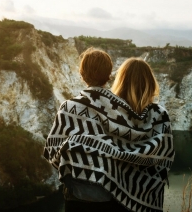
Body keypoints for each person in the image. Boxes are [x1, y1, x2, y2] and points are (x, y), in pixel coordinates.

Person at [43, 50, 174, 212]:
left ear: (81, 73)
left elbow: (53, 152)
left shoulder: (73, 108)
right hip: (119, 196)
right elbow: (162, 157)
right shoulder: (151, 114)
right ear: (109, 75)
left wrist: (75, 163)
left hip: (80, 193)